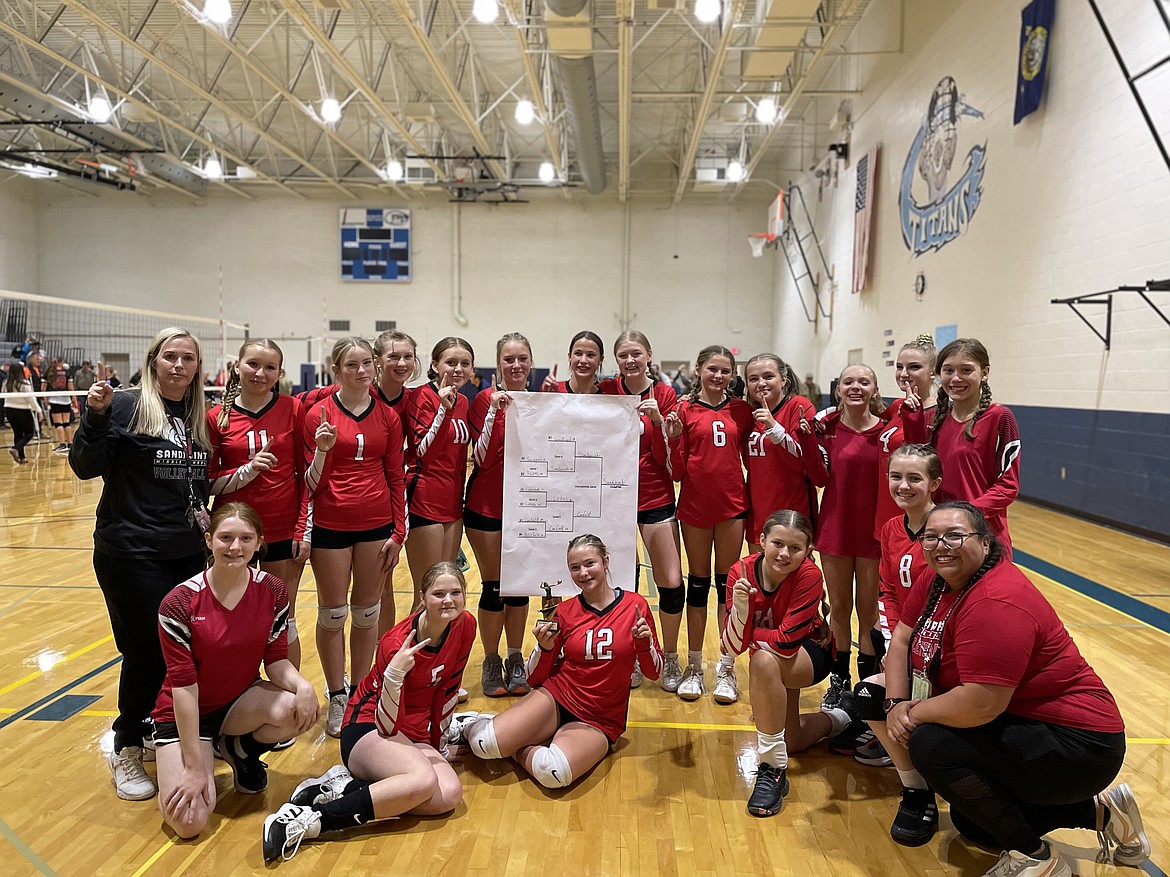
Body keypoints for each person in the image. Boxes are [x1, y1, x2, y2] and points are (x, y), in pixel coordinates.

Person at [877, 502, 1147, 875]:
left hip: (1077, 744)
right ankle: (1103, 814)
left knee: (930, 744)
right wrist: (894, 703)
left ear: (986, 542)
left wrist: (911, 713)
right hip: (1021, 719)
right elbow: (902, 639)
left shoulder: (994, 600)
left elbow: (980, 704)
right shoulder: (940, 579)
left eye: (955, 535)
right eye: (931, 537)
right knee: (974, 822)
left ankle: (1034, 859)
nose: (942, 545)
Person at [70, 327, 211, 801]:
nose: (179, 365)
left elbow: (195, 484)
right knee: (147, 651)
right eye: (170, 356)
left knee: (185, 651)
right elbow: (85, 466)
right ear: (154, 361)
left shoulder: (194, 417)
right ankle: (126, 744)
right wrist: (94, 416)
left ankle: (155, 728)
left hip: (185, 551)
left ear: (197, 367)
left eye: (187, 358)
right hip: (131, 552)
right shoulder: (127, 406)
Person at [262, 562, 476, 864]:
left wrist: (438, 744)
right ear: (422, 596)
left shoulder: (465, 625)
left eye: (456, 592)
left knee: (447, 795)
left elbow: (448, 689)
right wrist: (394, 677)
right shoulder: (394, 644)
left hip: (411, 734)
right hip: (368, 726)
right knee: (423, 781)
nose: (448, 601)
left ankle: (346, 787)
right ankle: (313, 820)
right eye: (438, 593)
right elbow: (387, 725)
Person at [153, 503, 318, 839]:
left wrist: (303, 686)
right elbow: (184, 688)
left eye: (246, 538)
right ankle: (195, 754)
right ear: (209, 539)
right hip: (186, 713)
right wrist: (196, 769)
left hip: (236, 703)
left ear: (259, 543)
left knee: (296, 709)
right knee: (190, 822)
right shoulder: (179, 602)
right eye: (226, 538)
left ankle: (239, 750)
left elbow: (275, 661)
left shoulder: (272, 590)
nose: (235, 547)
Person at [452, 535, 662, 789]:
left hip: (600, 718)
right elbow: (534, 678)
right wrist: (545, 647)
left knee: (552, 773)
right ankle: (471, 724)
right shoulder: (565, 611)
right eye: (575, 567)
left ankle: (519, 743)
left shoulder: (634, 606)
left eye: (589, 564)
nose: (583, 573)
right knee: (484, 745)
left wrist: (644, 644)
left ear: (605, 562)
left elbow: (653, 672)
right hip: (558, 697)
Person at [301, 337, 407, 737]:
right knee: (332, 614)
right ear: (336, 370)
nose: (361, 371)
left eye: (367, 364)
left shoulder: (387, 417)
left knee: (367, 614)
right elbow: (309, 483)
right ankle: (337, 694)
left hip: (376, 526)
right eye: (351, 365)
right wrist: (324, 451)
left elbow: (396, 474)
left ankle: (362, 691)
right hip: (331, 525)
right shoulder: (319, 414)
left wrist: (399, 530)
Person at [721, 511, 854, 817]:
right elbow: (729, 647)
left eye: (795, 548)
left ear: (807, 551)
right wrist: (741, 610)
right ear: (762, 541)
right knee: (790, 741)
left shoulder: (808, 574)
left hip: (811, 654)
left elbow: (785, 642)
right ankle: (845, 715)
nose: (784, 554)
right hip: (773, 658)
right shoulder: (739, 572)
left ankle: (772, 769)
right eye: (777, 543)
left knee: (763, 661)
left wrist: (745, 632)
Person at [207, 340, 308, 669]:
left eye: (269, 367)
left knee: (284, 620)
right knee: (233, 619)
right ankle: (237, 693)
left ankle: (288, 695)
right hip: (233, 534)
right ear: (236, 366)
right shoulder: (215, 417)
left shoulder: (293, 409)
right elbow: (207, 483)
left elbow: (307, 475)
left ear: (280, 373)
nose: (260, 373)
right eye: (252, 364)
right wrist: (247, 471)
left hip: (281, 528)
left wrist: (303, 528)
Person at [664, 345, 754, 703]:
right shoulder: (684, 409)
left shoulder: (741, 411)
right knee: (698, 586)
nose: (718, 376)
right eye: (712, 369)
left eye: (725, 371)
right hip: (695, 508)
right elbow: (678, 470)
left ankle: (727, 667)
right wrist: (672, 438)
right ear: (698, 369)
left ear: (732, 375)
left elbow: (754, 458)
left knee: (727, 587)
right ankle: (694, 665)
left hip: (732, 507)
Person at [845, 443, 943, 770]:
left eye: (914, 478)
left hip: (940, 645)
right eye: (895, 476)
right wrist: (892, 644)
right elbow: (887, 590)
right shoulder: (890, 529)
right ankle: (890, 737)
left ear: (934, 483)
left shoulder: (947, 530)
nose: (903, 485)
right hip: (905, 636)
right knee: (876, 654)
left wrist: (912, 651)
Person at [795, 364, 886, 715]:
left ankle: (866, 683)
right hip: (835, 530)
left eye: (864, 382)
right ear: (838, 390)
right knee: (839, 609)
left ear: (875, 390)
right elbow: (818, 478)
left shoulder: (887, 432)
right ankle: (839, 680)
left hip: (873, 534)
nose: (856, 387)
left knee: (868, 612)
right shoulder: (826, 429)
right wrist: (807, 439)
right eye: (849, 381)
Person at [596, 331, 683, 691]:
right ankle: (630, 654)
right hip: (612, 498)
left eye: (636, 354)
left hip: (654, 494)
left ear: (649, 355)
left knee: (671, 581)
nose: (630, 361)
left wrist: (661, 421)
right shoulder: (606, 391)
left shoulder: (664, 395)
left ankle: (672, 656)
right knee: (621, 584)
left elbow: (671, 457)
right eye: (623, 355)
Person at [466, 333, 535, 697]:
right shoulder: (483, 400)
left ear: (531, 362)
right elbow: (481, 457)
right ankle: (491, 659)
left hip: (527, 507)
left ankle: (515, 656)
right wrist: (495, 409)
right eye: (509, 359)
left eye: (522, 358)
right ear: (498, 364)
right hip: (487, 506)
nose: (516, 366)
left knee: (519, 585)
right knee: (494, 585)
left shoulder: (543, 401)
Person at [930, 338, 1020, 554]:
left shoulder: (1000, 417)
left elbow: (1008, 486)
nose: (956, 378)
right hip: (939, 536)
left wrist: (966, 515)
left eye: (966, 370)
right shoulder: (934, 418)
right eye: (948, 370)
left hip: (984, 536)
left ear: (985, 372)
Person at [403, 337, 474, 599]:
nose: (458, 369)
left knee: (448, 590)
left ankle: (446, 642)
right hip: (425, 499)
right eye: (451, 362)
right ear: (435, 364)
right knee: (427, 593)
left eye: (464, 363)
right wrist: (443, 410)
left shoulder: (465, 401)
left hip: (453, 503)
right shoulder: (422, 396)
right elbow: (425, 452)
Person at [743, 353, 817, 551]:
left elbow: (806, 460)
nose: (761, 383)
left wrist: (773, 427)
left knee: (791, 578)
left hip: (792, 511)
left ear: (783, 380)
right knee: (760, 576)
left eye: (768, 376)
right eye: (753, 379)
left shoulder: (799, 406)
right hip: (758, 510)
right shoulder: (748, 413)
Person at [874, 335, 936, 538]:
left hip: (911, 507)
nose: (903, 374)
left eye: (914, 367)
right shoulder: (896, 407)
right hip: (886, 504)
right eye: (899, 367)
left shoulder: (938, 414)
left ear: (933, 372)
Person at [541, 330, 605, 394]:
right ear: (569, 356)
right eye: (578, 353)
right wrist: (547, 399)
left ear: (601, 359)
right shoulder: (552, 390)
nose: (583, 360)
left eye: (590, 355)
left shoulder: (607, 398)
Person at [5, 361, 41, 463]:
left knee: (18, 433)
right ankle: (16, 449)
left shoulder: (6, 383)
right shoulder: (24, 383)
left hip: (9, 410)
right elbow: (31, 399)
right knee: (29, 433)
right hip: (23, 411)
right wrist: (39, 410)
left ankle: (21, 457)